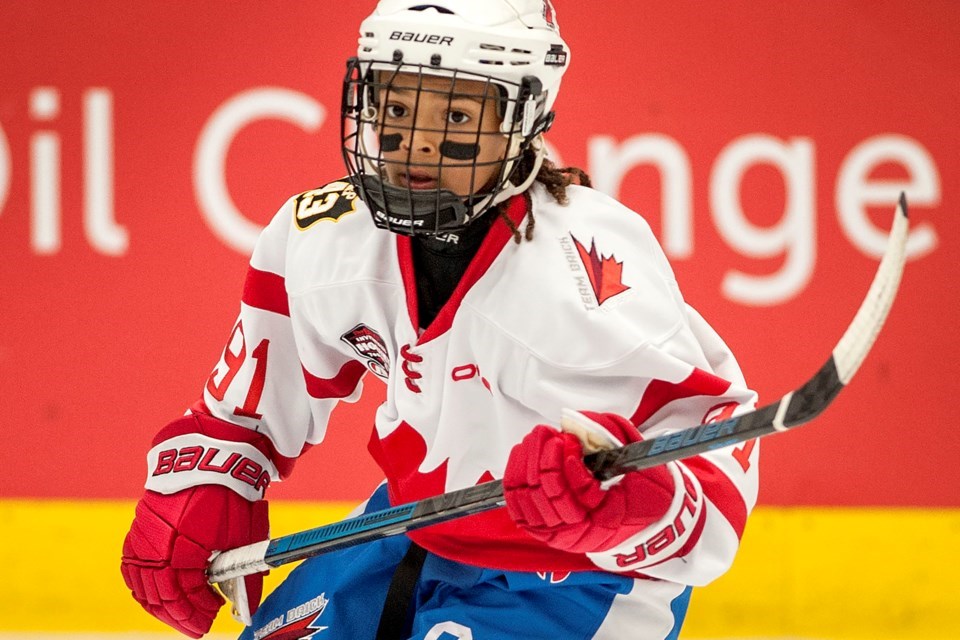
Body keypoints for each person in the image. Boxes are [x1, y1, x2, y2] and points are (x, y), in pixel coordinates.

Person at [120, 1, 759, 639]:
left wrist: (624, 501)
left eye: (455, 114)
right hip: (409, 528)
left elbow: (713, 480)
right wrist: (210, 481)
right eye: (397, 108)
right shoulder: (325, 236)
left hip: (575, 581)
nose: (417, 142)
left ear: (522, 118)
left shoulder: (586, 269)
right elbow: (253, 397)